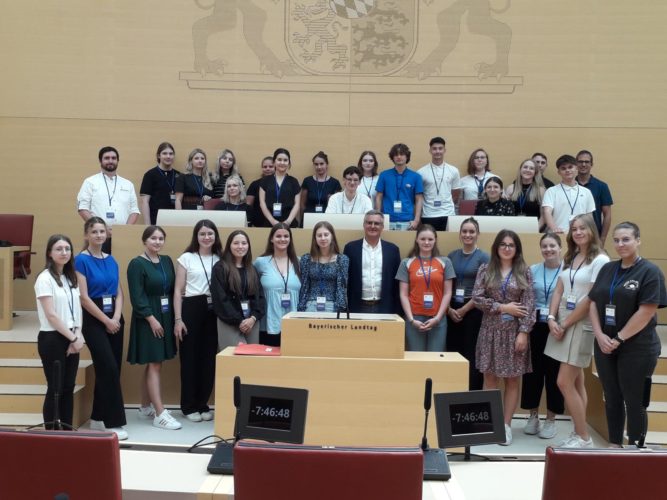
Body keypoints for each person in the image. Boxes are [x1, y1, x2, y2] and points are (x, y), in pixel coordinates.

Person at [589, 222, 666, 447]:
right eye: (616, 240)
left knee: (634, 400)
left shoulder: (650, 272)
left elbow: (647, 310)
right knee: (611, 397)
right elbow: (593, 302)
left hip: (637, 347)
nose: (620, 244)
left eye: (626, 239)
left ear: (638, 241)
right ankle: (614, 445)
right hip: (605, 344)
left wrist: (619, 338)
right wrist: (600, 335)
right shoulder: (607, 269)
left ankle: (635, 447)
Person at [544, 214, 609, 447]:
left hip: (580, 324)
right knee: (577, 382)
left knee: (563, 382)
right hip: (562, 321)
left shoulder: (600, 259)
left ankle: (583, 437)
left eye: (583, 228)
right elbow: (559, 290)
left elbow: (591, 299)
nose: (578, 232)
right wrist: (552, 318)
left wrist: (565, 323)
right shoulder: (571, 256)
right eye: (574, 229)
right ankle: (578, 432)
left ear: (592, 230)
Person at [473, 230, 535, 446]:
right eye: (503, 244)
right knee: (489, 379)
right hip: (490, 332)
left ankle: (506, 426)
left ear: (516, 249)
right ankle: (487, 424)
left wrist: (524, 332)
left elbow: (529, 304)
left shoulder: (524, 272)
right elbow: (477, 298)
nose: (507, 248)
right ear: (496, 247)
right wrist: (502, 307)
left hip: (513, 334)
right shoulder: (485, 269)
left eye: (511, 245)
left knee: (512, 380)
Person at [74, 217, 127, 440]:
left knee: (113, 367)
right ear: (86, 235)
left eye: (102, 231)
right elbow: (84, 298)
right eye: (94, 232)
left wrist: (115, 317)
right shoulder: (80, 261)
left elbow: (119, 292)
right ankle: (113, 422)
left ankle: (97, 417)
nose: (98, 235)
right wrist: (106, 321)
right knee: (107, 368)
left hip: (114, 314)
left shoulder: (111, 259)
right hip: (94, 317)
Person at [126, 226, 181, 430]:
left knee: (154, 363)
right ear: (144, 241)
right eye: (153, 238)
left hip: (165, 315)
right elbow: (137, 296)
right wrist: (151, 318)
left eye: (160, 238)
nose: (157, 242)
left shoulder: (166, 261)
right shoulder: (136, 264)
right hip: (148, 317)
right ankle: (160, 413)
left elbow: (173, 288)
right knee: (155, 363)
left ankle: (144, 407)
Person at [173, 220, 221, 423]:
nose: (207, 237)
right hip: (191, 308)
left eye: (210, 233)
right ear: (196, 236)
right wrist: (178, 319)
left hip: (214, 311)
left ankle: (203, 404)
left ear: (215, 236)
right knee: (190, 359)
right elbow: (177, 290)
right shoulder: (186, 258)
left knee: (209, 360)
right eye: (202, 234)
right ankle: (188, 406)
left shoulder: (220, 258)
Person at [34, 234, 83, 430]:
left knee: (68, 387)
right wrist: (72, 337)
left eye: (67, 249)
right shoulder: (44, 278)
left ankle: (67, 431)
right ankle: (52, 432)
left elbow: (77, 308)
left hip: (73, 336)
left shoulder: (71, 277)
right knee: (55, 388)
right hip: (53, 338)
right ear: (49, 253)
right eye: (59, 249)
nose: (64, 252)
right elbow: (52, 315)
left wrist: (78, 334)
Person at [521, 233, 565, 439]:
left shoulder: (568, 271)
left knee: (554, 374)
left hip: (557, 326)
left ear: (560, 247)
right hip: (535, 326)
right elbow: (527, 298)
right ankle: (532, 416)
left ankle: (551, 420)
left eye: (552, 246)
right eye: (544, 246)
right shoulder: (533, 270)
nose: (548, 250)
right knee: (532, 372)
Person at [446, 217, 489, 390]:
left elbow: (485, 289)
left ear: (478, 234)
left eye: (472, 231)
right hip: (452, 310)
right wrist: (449, 309)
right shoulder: (451, 256)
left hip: (473, 310)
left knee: (471, 353)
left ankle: (470, 393)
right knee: (453, 351)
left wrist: (464, 309)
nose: (468, 234)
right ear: (460, 234)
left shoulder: (484, 257)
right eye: (464, 231)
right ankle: (453, 390)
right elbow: (446, 284)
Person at [396, 225, 455, 351]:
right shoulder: (406, 262)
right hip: (414, 319)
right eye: (423, 239)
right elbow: (403, 294)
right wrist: (411, 320)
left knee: (435, 360)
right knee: (417, 359)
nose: (426, 242)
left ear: (435, 240)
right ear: (417, 240)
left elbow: (447, 293)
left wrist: (438, 318)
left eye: (430, 239)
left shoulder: (445, 262)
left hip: (437, 318)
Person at [76, 146, 140, 253]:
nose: (110, 161)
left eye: (113, 158)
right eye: (107, 158)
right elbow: (82, 209)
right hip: (97, 235)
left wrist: (123, 231)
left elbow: (134, 211)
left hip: (122, 237)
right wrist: (102, 229)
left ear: (118, 161)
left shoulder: (128, 184)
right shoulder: (90, 182)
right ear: (100, 161)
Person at [211, 230, 265, 349]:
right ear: (229, 246)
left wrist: (253, 318)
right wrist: (238, 320)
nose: (240, 246)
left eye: (244, 243)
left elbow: (259, 297)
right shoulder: (220, 268)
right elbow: (220, 299)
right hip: (229, 321)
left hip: (251, 322)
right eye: (236, 243)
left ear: (248, 246)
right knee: (234, 360)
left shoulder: (252, 269)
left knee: (251, 360)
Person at [344, 210, 402, 314]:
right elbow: (345, 279)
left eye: (377, 223)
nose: (373, 226)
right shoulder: (350, 248)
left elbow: (397, 282)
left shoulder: (393, 250)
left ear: (382, 227)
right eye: (369, 222)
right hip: (357, 307)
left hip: (385, 307)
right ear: (364, 225)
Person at [254, 223, 301, 346]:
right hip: (268, 324)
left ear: (290, 239)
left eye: (286, 236)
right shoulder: (261, 262)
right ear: (271, 239)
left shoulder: (299, 262)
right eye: (278, 236)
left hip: (293, 324)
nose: (282, 239)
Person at [298, 222, 349, 312]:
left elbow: (341, 287)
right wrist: (301, 307)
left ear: (332, 236)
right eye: (319, 235)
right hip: (310, 305)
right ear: (315, 238)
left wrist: (340, 309)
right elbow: (304, 285)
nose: (323, 238)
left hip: (333, 306)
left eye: (326, 235)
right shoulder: (306, 259)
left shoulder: (342, 259)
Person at [542, 154, 595, 234]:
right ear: (559, 172)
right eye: (563, 168)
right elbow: (547, 212)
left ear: (576, 168)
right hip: (559, 234)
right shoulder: (551, 191)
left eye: (570, 167)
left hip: (580, 234)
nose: (567, 170)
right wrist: (554, 228)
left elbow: (589, 216)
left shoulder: (586, 192)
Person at [376, 143, 424, 230]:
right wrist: (379, 217)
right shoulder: (384, 175)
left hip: (408, 221)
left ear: (407, 156)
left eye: (402, 154)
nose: (399, 157)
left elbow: (419, 199)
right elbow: (379, 197)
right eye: (396, 155)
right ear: (392, 157)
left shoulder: (416, 176)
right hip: (387, 220)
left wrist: (416, 220)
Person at [417, 137, 461, 231]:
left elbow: (456, 194)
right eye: (434, 148)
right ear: (430, 151)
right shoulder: (421, 172)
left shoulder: (453, 171)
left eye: (440, 148)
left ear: (444, 150)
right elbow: (419, 196)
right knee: (429, 242)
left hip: (448, 214)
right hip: (428, 214)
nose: (437, 151)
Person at [576, 150, 613, 246]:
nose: (583, 164)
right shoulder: (569, 186)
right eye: (580, 161)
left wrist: (602, 238)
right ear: (576, 164)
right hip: (573, 234)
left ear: (591, 164)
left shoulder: (602, 186)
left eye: (587, 162)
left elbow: (607, 214)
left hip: (593, 236)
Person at [258, 148, 301, 228]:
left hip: (289, 224)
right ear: (274, 162)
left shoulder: (294, 181)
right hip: (269, 223)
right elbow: (262, 203)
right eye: (279, 160)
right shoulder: (265, 180)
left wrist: (287, 222)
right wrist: (273, 221)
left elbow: (297, 204)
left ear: (289, 163)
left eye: (285, 160)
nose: (282, 162)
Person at [140, 142, 181, 225]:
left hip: (175, 220)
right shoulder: (150, 175)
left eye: (171, 154)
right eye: (164, 153)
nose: (168, 156)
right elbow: (145, 202)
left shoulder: (179, 175)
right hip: (156, 220)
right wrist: (148, 225)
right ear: (159, 156)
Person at [300, 151, 342, 218]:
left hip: (327, 219)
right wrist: (303, 219)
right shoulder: (307, 181)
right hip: (309, 219)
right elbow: (302, 204)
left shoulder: (335, 183)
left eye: (321, 164)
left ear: (327, 164)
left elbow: (338, 206)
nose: (319, 167)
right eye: (316, 164)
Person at [505, 159, 546, 225]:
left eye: (531, 168)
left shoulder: (540, 190)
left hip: (533, 229)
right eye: (525, 167)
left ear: (535, 172)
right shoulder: (511, 188)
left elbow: (543, 216)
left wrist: (535, 229)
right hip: (513, 228)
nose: (528, 170)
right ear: (520, 170)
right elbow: (505, 213)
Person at [246, 156, 275, 226]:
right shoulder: (254, 184)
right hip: (258, 222)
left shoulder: (281, 184)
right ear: (262, 168)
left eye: (271, 166)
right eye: (265, 167)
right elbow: (248, 205)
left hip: (277, 221)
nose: (267, 169)